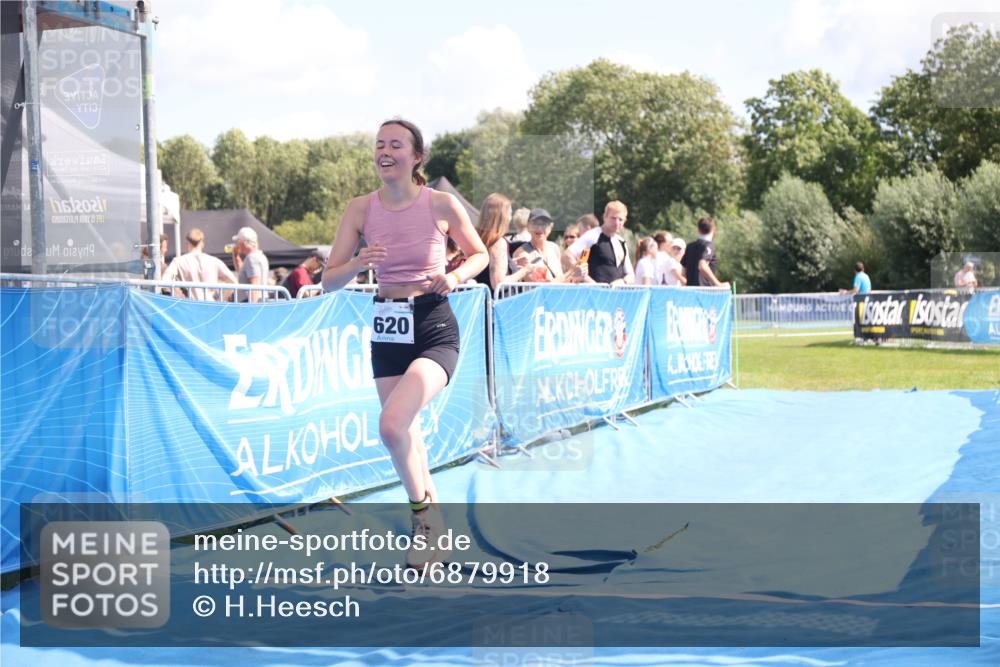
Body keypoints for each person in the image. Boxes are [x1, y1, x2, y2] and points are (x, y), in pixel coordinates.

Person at [320, 118, 488, 568]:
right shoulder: (359, 209)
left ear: (416, 158)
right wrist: (359, 261)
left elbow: (480, 255)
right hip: (387, 326)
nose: (384, 151)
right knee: (406, 432)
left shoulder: (441, 203)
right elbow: (328, 282)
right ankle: (435, 527)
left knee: (392, 424)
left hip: (433, 323)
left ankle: (424, 521)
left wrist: (452, 277)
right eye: (379, 144)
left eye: (396, 144)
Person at [565, 201, 634, 285]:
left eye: (620, 219)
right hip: (592, 294)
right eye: (613, 218)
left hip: (616, 295)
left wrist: (623, 281)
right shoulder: (593, 235)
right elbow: (566, 256)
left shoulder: (621, 242)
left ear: (625, 221)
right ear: (605, 216)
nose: (617, 223)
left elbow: (631, 275)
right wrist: (588, 280)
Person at [473, 193, 532, 290]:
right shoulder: (498, 243)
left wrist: (511, 264)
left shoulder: (477, 239)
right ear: (501, 216)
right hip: (498, 302)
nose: (510, 218)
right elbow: (498, 283)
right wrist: (525, 271)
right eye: (509, 213)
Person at [161, 227, 238, 300]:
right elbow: (234, 282)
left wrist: (179, 297)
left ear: (187, 243)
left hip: (190, 306)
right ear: (202, 243)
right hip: (211, 306)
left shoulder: (178, 261)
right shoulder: (214, 261)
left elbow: (164, 282)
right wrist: (222, 299)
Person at [513, 208, 585, 283]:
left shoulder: (554, 248)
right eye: (535, 224)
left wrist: (577, 275)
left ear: (551, 227)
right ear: (528, 226)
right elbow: (543, 286)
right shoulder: (522, 254)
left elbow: (562, 281)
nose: (540, 228)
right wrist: (571, 271)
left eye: (544, 224)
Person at [681, 217, 727, 288]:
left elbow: (683, 270)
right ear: (714, 229)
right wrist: (718, 284)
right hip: (704, 290)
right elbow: (702, 265)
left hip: (690, 290)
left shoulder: (690, 246)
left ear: (698, 230)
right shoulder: (709, 246)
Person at [232, 226, 270, 302]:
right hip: (260, 300)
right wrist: (235, 255)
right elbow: (242, 271)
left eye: (238, 241)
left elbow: (255, 285)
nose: (237, 244)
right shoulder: (260, 256)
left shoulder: (251, 258)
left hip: (253, 302)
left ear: (243, 242)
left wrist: (252, 309)